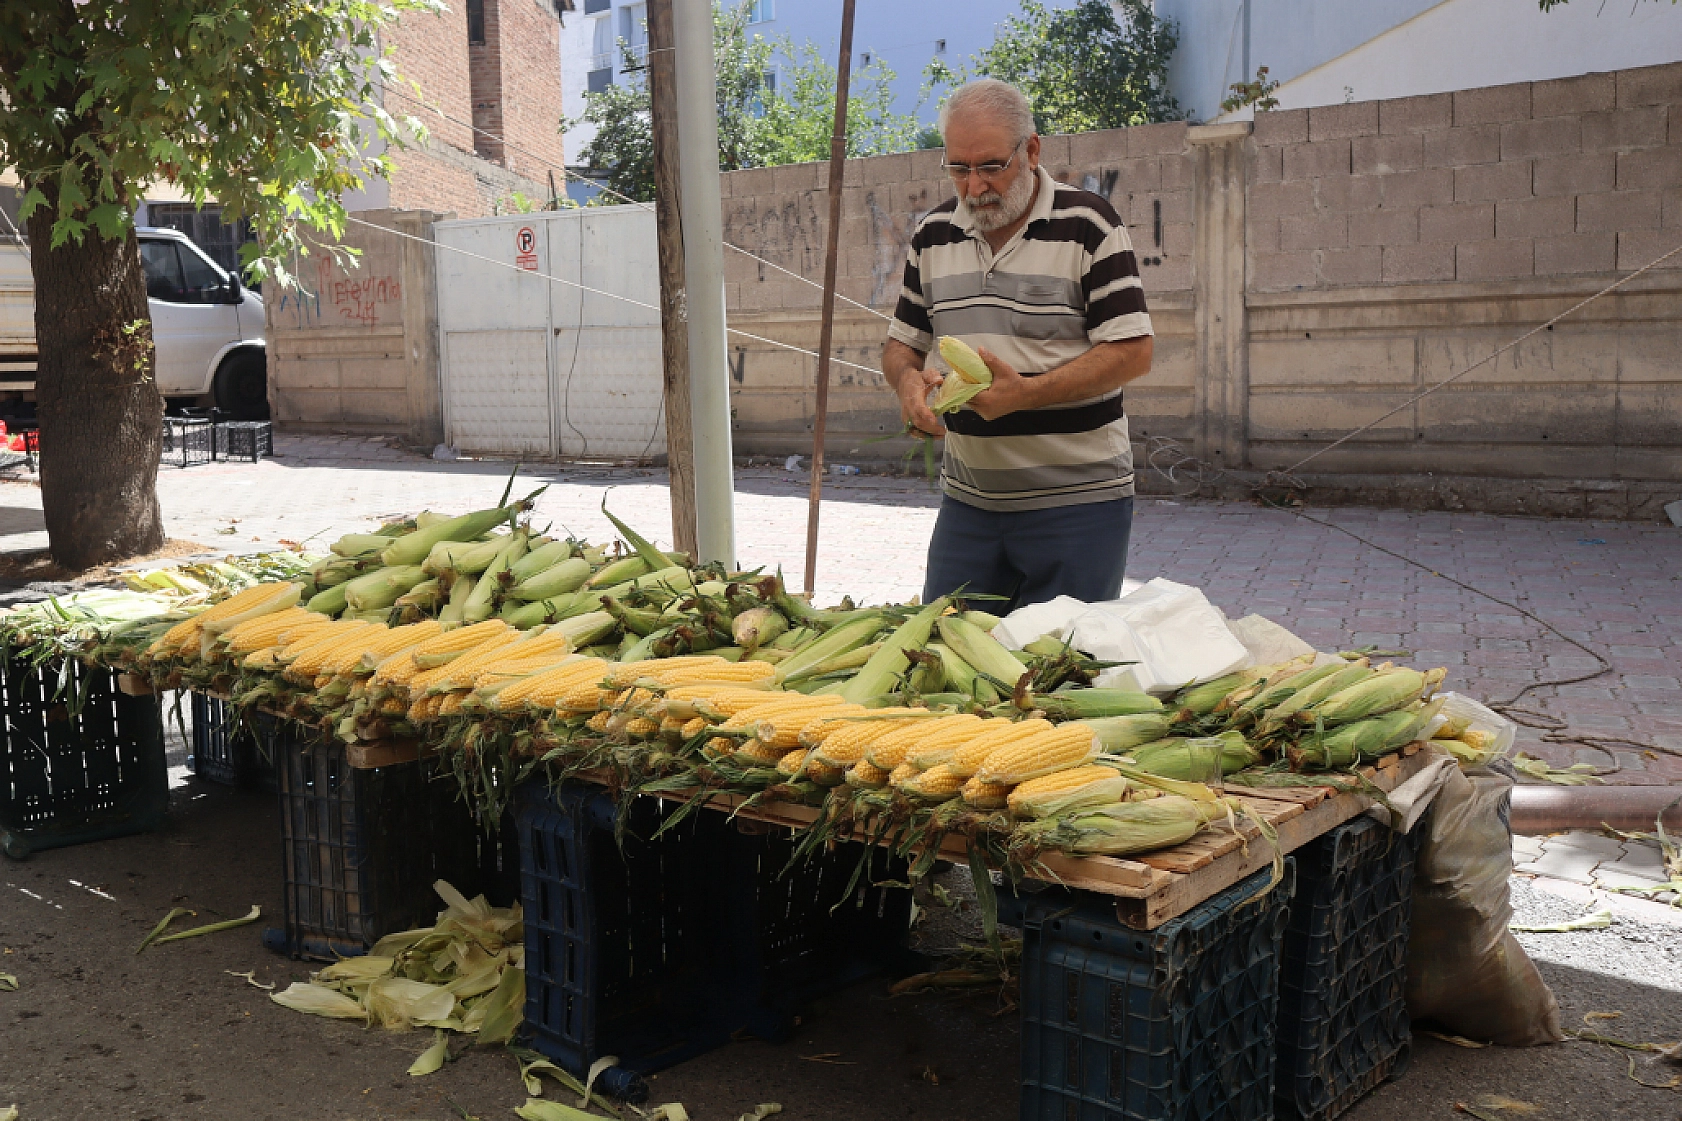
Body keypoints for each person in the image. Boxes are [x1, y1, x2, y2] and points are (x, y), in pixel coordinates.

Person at [883, 78, 1153, 613]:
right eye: (958, 168)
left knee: (1057, 674)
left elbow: (1133, 351)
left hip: (1079, 506)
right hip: (969, 505)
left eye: (990, 166)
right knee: (952, 660)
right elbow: (902, 346)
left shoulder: (1089, 225)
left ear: (1031, 150)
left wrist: (1024, 394)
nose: (975, 186)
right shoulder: (932, 235)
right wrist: (910, 387)